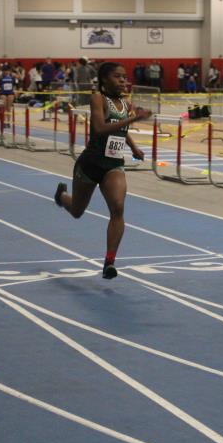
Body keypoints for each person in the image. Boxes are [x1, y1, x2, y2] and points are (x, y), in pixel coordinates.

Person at [53, 62, 151, 280]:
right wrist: (135, 118)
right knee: (77, 211)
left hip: (113, 165)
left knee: (117, 207)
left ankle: (109, 262)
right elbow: (99, 128)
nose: (123, 80)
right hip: (90, 164)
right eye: (117, 76)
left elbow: (121, 128)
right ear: (105, 79)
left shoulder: (125, 103)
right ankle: (62, 196)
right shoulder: (98, 98)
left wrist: (133, 147)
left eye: (124, 76)